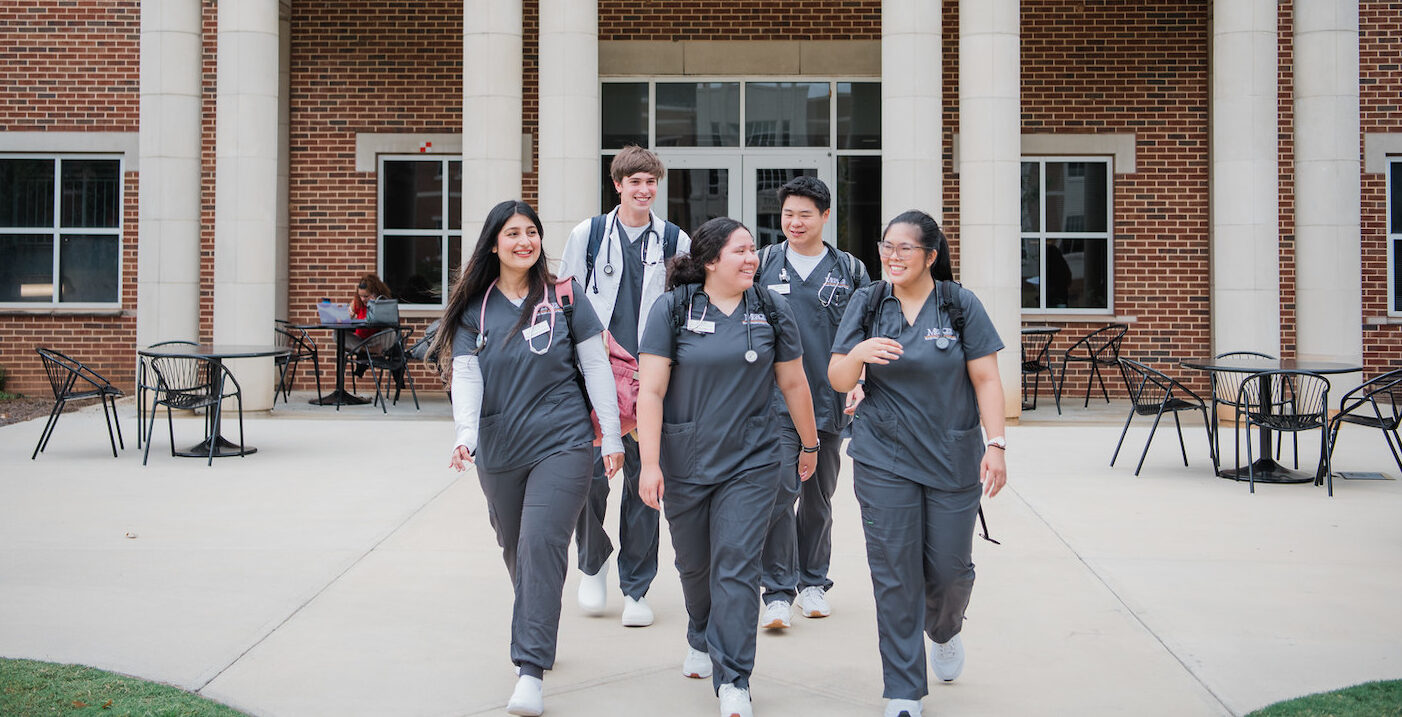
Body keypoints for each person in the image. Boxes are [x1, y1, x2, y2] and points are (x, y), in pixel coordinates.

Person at [431, 200, 625, 717]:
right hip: (500, 447)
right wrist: (464, 436)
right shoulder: (476, 308)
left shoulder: (564, 296)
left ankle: (530, 670)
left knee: (542, 545)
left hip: (563, 442)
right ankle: (536, 615)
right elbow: (468, 377)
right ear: (494, 243)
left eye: (533, 232)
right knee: (516, 547)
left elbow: (597, 366)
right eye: (513, 233)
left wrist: (609, 436)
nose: (525, 241)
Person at [827, 210, 1008, 717]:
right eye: (887, 246)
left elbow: (987, 380)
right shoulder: (868, 302)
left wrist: (996, 444)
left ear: (931, 255)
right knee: (894, 574)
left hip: (952, 456)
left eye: (905, 247)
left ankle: (946, 630)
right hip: (883, 457)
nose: (892, 255)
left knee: (948, 572)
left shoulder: (958, 304)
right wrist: (858, 352)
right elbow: (838, 377)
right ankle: (904, 689)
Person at [636, 217, 819, 717]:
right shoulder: (673, 310)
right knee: (696, 566)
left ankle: (734, 678)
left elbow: (795, 384)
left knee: (737, 567)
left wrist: (809, 444)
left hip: (753, 460)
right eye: (739, 251)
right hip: (685, 458)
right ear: (710, 260)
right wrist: (649, 463)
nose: (751, 259)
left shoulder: (771, 308)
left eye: (753, 250)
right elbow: (650, 391)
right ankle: (700, 630)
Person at [557, 145, 691, 628]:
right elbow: (566, 300)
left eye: (650, 181)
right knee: (587, 478)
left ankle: (637, 586)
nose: (643, 189)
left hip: (651, 379)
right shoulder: (588, 234)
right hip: (598, 378)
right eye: (634, 181)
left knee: (645, 483)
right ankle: (593, 563)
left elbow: (686, 309)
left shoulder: (676, 239)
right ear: (617, 185)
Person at [754, 176, 870, 631]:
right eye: (787, 214)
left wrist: (864, 378)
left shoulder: (850, 270)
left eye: (805, 214)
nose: (794, 222)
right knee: (780, 491)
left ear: (825, 216)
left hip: (830, 402)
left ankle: (813, 581)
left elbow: (866, 332)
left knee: (818, 496)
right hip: (774, 404)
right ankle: (777, 590)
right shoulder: (763, 263)